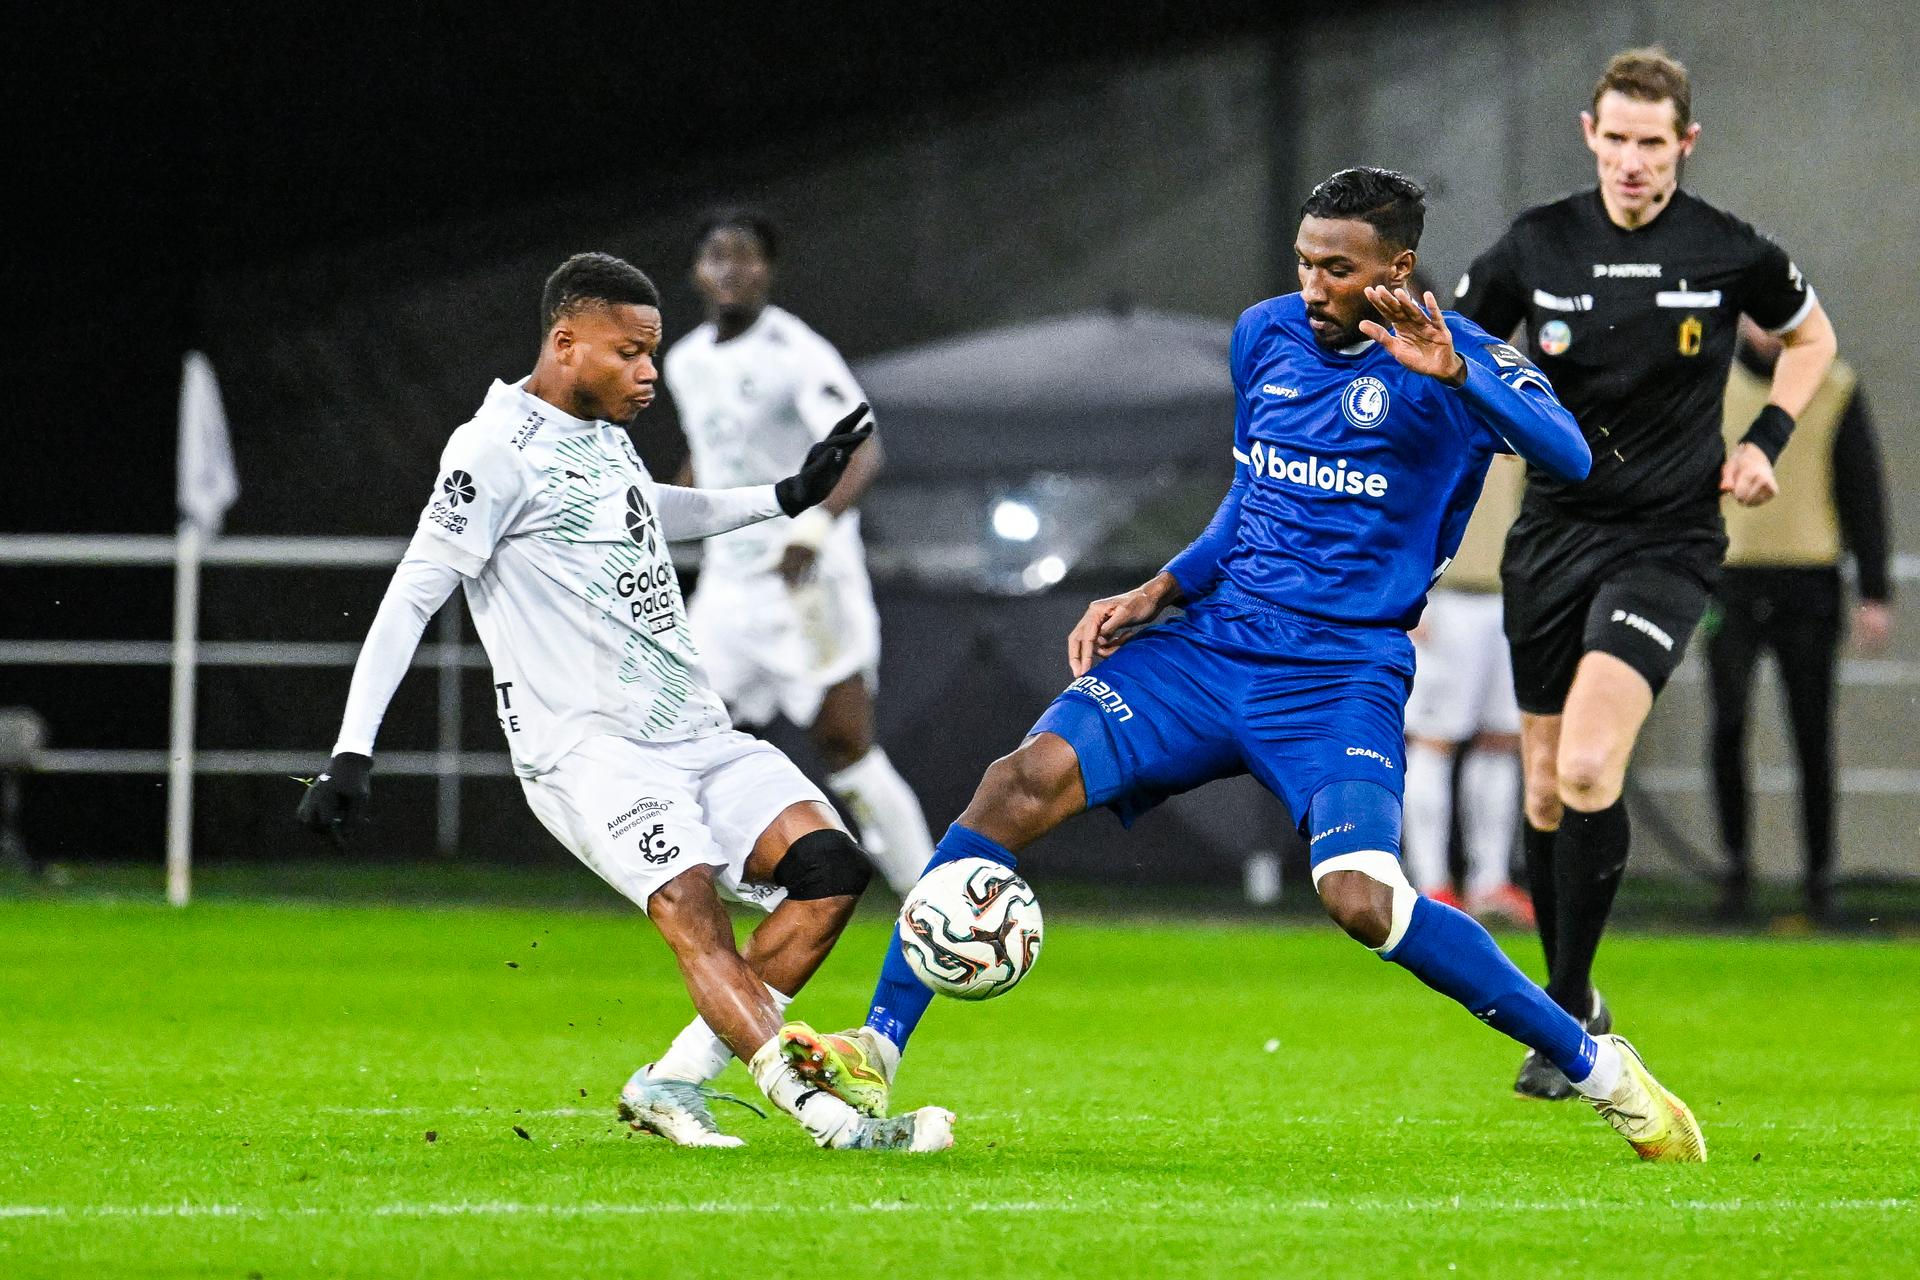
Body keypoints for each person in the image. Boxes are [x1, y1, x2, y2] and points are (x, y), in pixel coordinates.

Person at [771, 168, 1705, 1161]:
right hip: (1210, 646)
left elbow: (1572, 457)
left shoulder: (1456, 358)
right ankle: (876, 1045)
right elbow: (1255, 492)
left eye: (1336, 268)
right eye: (1304, 262)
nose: (1312, 284)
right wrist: (1162, 586)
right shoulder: (1264, 335)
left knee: (1361, 895)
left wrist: (1462, 372)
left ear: (1395, 267)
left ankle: (1604, 1068)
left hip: (1338, 674)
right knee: (1018, 781)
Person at [294, 252, 953, 1153]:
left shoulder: (602, 434)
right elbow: (413, 594)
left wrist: (785, 497)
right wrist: (351, 752)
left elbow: (647, 508)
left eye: (653, 353)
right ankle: (828, 1119)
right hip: (589, 749)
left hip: (692, 729)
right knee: (690, 903)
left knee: (832, 873)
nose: (649, 374)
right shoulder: (491, 451)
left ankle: (672, 1082)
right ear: (565, 344)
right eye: (630, 354)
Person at [1453, 47, 1837, 1100]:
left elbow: (1812, 340)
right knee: (1541, 787)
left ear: (1685, 145)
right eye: (1615, 139)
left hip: (1667, 541)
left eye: (1651, 144)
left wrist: (1763, 437)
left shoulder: (1727, 248)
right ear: (1590, 134)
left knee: (1584, 766)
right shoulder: (1536, 243)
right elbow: (1450, 351)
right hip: (1552, 536)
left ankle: (1566, 1012)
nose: (1631, 162)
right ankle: (1572, 1000)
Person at [663, 208, 934, 897]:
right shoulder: (684, 360)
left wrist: (812, 528)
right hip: (728, 590)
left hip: (807, 582)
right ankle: (746, 886)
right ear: (697, 271)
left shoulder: (796, 351)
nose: (732, 268)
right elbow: (711, 456)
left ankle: (933, 902)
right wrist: (658, 521)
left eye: (746, 255)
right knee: (680, 736)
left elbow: (863, 447)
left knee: (844, 743)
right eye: (717, 255)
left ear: (768, 269)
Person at [1706, 316, 1894, 923]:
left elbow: (1861, 487)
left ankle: (1820, 877)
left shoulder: (1833, 383)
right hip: (1730, 579)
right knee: (1728, 725)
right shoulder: (1710, 381)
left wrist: (1874, 589)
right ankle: (1736, 870)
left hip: (1809, 578)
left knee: (1812, 732)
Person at [1404, 453, 1534, 926]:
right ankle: (1430, 882)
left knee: (1502, 738)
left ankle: (1489, 882)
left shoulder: (1525, 389)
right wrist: (1407, 586)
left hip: (1509, 590)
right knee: (1433, 740)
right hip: (1446, 592)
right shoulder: (1427, 390)